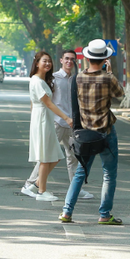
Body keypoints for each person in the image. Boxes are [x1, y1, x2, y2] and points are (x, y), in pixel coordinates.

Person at [59, 39, 125, 225]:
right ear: (104, 59)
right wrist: (109, 71)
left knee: (80, 172)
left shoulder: (77, 78)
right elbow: (120, 93)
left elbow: (75, 106)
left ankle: (66, 212)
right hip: (106, 132)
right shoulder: (108, 78)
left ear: (87, 58)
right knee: (109, 175)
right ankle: (104, 215)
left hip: (86, 134)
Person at [21, 50, 94, 200]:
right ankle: (31, 185)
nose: (69, 61)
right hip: (54, 121)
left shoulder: (75, 79)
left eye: (72, 59)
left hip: (72, 122)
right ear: (61, 60)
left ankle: (76, 188)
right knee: (46, 155)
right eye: (66, 58)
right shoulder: (51, 78)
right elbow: (44, 101)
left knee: (74, 156)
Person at [27, 51, 73, 202]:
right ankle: (42, 191)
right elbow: (48, 103)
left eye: (49, 61)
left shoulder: (42, 81)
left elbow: (33, 104)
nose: (47, 64)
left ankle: (36, 184)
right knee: (46, 157)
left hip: (43, 118)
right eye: (44, 61)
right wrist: (66, 118)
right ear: (37, 63)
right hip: (42, 119)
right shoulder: (36, 81)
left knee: (55, 156)